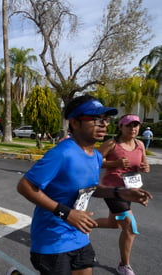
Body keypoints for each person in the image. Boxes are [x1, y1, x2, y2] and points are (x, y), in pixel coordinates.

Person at [14, 95, 152, 275]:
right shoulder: (62, 153)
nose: (103, 124)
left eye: (105, 119)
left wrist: (121, 193)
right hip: (52, 239)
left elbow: (89, 189)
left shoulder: (95, 156)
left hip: (79, 235)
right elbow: (25, 186)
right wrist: (67, 213)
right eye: (95, 119)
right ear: (75, 123)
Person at [96, 114, 150, 275]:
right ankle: (124, 265)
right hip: (112, 190)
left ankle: (82, 224)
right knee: (130, 225)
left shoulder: (140, 144)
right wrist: (115, 163)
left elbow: (142, 164)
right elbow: (93, 161)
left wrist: (144, 167)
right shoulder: (112, 144)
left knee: (114, 223)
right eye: (129, 125)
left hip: (130, 190)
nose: (133, 128)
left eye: (136, 125)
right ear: (120, 127)